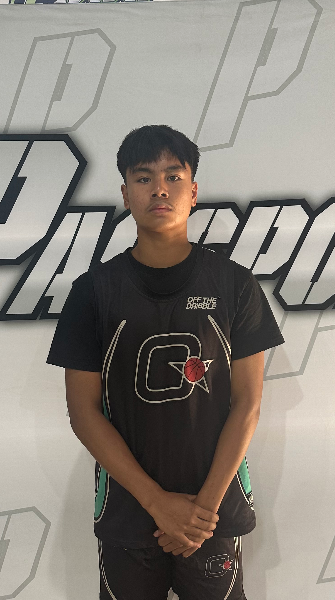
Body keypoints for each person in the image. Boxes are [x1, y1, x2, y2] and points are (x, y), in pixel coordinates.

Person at [47, 124, 284, 600]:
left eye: (173, 177)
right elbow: (83, 412)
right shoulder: (92, 292)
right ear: (125, 193)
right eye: (144, 178)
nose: (160, 189)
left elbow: (248, 404)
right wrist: (158, 504)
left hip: (213, 510)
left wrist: (201, 514)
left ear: (193, 191)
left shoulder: (235, 285)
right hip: (128, 511)